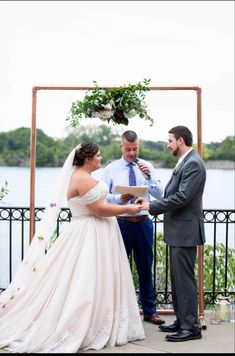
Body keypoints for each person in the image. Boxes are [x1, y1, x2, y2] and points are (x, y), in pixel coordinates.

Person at [0, 142, 145, 353]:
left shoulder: (80, 176)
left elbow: (99, 204)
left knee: (96, 278)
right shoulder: (82, 179)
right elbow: (99, 209)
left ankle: (100, 317)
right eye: (98, 155)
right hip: (90, 233)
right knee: (85, 278)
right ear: (88, 159)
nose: (100, 158)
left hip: (94, 231)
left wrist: (120, 201)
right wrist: (128, 209)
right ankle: (86, 323)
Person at [136, 126, 206, 342]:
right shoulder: (186, 160)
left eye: (170, 141)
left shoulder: (193, 163)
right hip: (179, 230)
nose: (167, 145)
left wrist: (151, 206)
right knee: (177, 280)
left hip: (185, 230)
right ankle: (182, 320)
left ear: (180, 140)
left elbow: (182, 197)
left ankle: (191, 328)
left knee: (184, 281)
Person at [102, 130, 165, 325]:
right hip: (120, 222)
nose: (132, 153)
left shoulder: (148, 167)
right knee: (117, 268)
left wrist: (147, 178)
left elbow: (160, 195)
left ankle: (150, 311)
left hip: (143, 222)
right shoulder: (111, 169)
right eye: (128, 149)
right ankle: (117, 313)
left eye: (135, 149)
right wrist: (119, 198)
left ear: (139, 146)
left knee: (145, 267)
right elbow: (103, 196)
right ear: (121, 147)